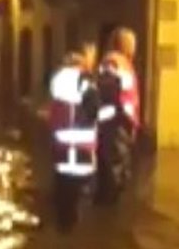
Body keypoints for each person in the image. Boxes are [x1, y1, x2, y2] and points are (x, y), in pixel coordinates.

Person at [48, 43, 100, 231]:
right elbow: (94, 110)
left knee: (63, 195)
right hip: (82, 150)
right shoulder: (85, 81)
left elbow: (54, 114)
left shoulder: (57, 82)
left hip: (62, 149)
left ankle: (62, 232)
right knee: (80, 201)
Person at [94, 27, 140, 204]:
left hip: (120, 122)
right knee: (114, 164)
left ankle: (108, 200)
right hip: (116, 123)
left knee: (116, 163)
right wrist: (121, 115)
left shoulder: (119, 62)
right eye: (132, 44)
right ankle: (109, 207)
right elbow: (109, 90)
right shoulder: (114, 62)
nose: (134, 49)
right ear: (124, 45)